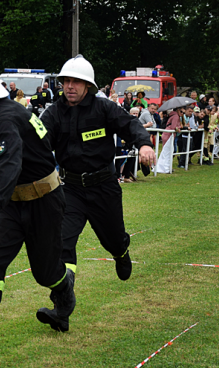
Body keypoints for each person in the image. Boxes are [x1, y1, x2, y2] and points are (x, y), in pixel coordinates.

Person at [0, 55, 75, 366]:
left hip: (43, 202)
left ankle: (64, 294)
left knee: (45, 272)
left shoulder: (5, 117)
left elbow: (11, 162)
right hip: (12, 204)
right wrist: (0, 206)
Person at [39, 54, 154, 330]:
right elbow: (40, 140)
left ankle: (121, 251)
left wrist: (145, 145)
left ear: (88, 85)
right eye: (66, 81)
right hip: (71, 189)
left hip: (104, 188)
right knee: (62, 244)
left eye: (76, 82)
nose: (70, 86)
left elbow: (131, 125)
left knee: (112, 239)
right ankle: (62, 309)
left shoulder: (104, 109)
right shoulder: (54, 112)